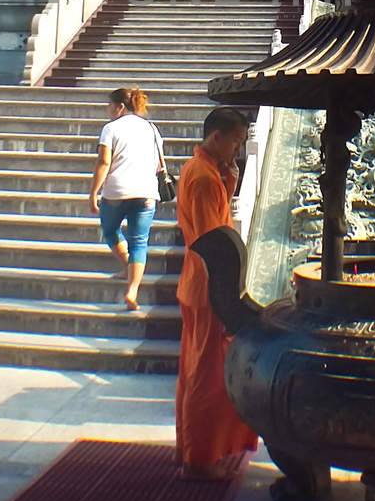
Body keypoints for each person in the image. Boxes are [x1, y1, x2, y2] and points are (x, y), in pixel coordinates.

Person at [175, 106, 258, 479]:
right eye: (237, 141)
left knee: (196, 370)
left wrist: (230, 183)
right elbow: (215, 244)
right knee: (206, 376)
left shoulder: (204, 172)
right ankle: (198, 459)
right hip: (209, 286)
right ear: (217, 137)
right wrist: (231, 300)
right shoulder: (204, 178)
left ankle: (193, 449)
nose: (238, 149)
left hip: (196, 283)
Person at [90, 87, 165, 312]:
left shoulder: (110, 128)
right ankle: (132, 290)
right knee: (139, 241)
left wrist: (93, 192)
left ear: (120, 107)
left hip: (116, 191)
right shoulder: (152, 128)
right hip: (146, 192)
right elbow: (160, 165)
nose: (108, 109)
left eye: (109, 105)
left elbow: (104, 162)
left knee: (111, 229)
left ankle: (126, 264)